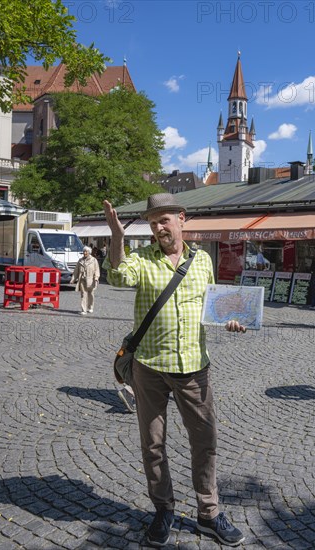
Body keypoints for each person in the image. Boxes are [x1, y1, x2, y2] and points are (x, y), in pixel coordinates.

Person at [103, 193, 246, 547]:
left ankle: (208, 512)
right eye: (153, 222)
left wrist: (230, 319)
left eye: (164, 220)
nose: (158, 227)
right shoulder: (141, 259)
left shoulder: (202, 260)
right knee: (153, 444)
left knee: (205, 440)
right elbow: (119, 277)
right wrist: (118, 238)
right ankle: (163, 509)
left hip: (195, 367)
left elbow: (213, 304)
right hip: (149, 367)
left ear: (182, 219)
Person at [71, 246, 100, 315]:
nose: (85, 253)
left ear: (89, 252)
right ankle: (84, 310)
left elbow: (97, 270)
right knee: (83, 295)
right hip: (82, 280)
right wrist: (73, 279)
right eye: (84, 251)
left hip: (91, 280)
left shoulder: (94, 260)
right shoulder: (80, 260)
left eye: (86, 251)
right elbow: (76, 271)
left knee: (91, 294)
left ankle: (90, 307)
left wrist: (96, 278)